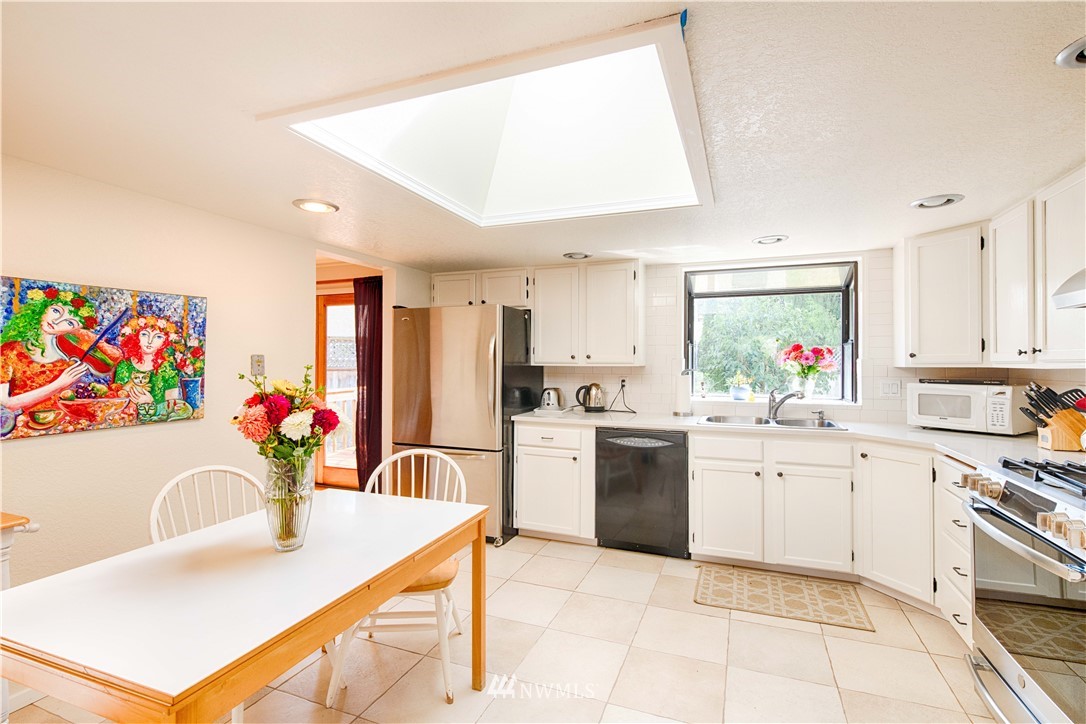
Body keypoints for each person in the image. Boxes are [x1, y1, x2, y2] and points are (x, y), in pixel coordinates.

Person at [0, 287, 99, 419]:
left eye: (69, 322)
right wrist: (59, 384)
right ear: (44, 307)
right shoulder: (10, 350)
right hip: (23, 424)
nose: (57, 321)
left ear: (76, 330)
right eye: (56, 311)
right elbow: (6, 404)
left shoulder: (68, 362)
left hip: (60, 424)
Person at [114, 315, 181, 421]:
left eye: (158, 337)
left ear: (165, 342)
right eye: (145, 334)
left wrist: (151, 402)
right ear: (136, 336)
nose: (150, 341)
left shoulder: (168, 369)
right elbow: (115, 399)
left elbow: (172, 407)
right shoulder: (124, 365)